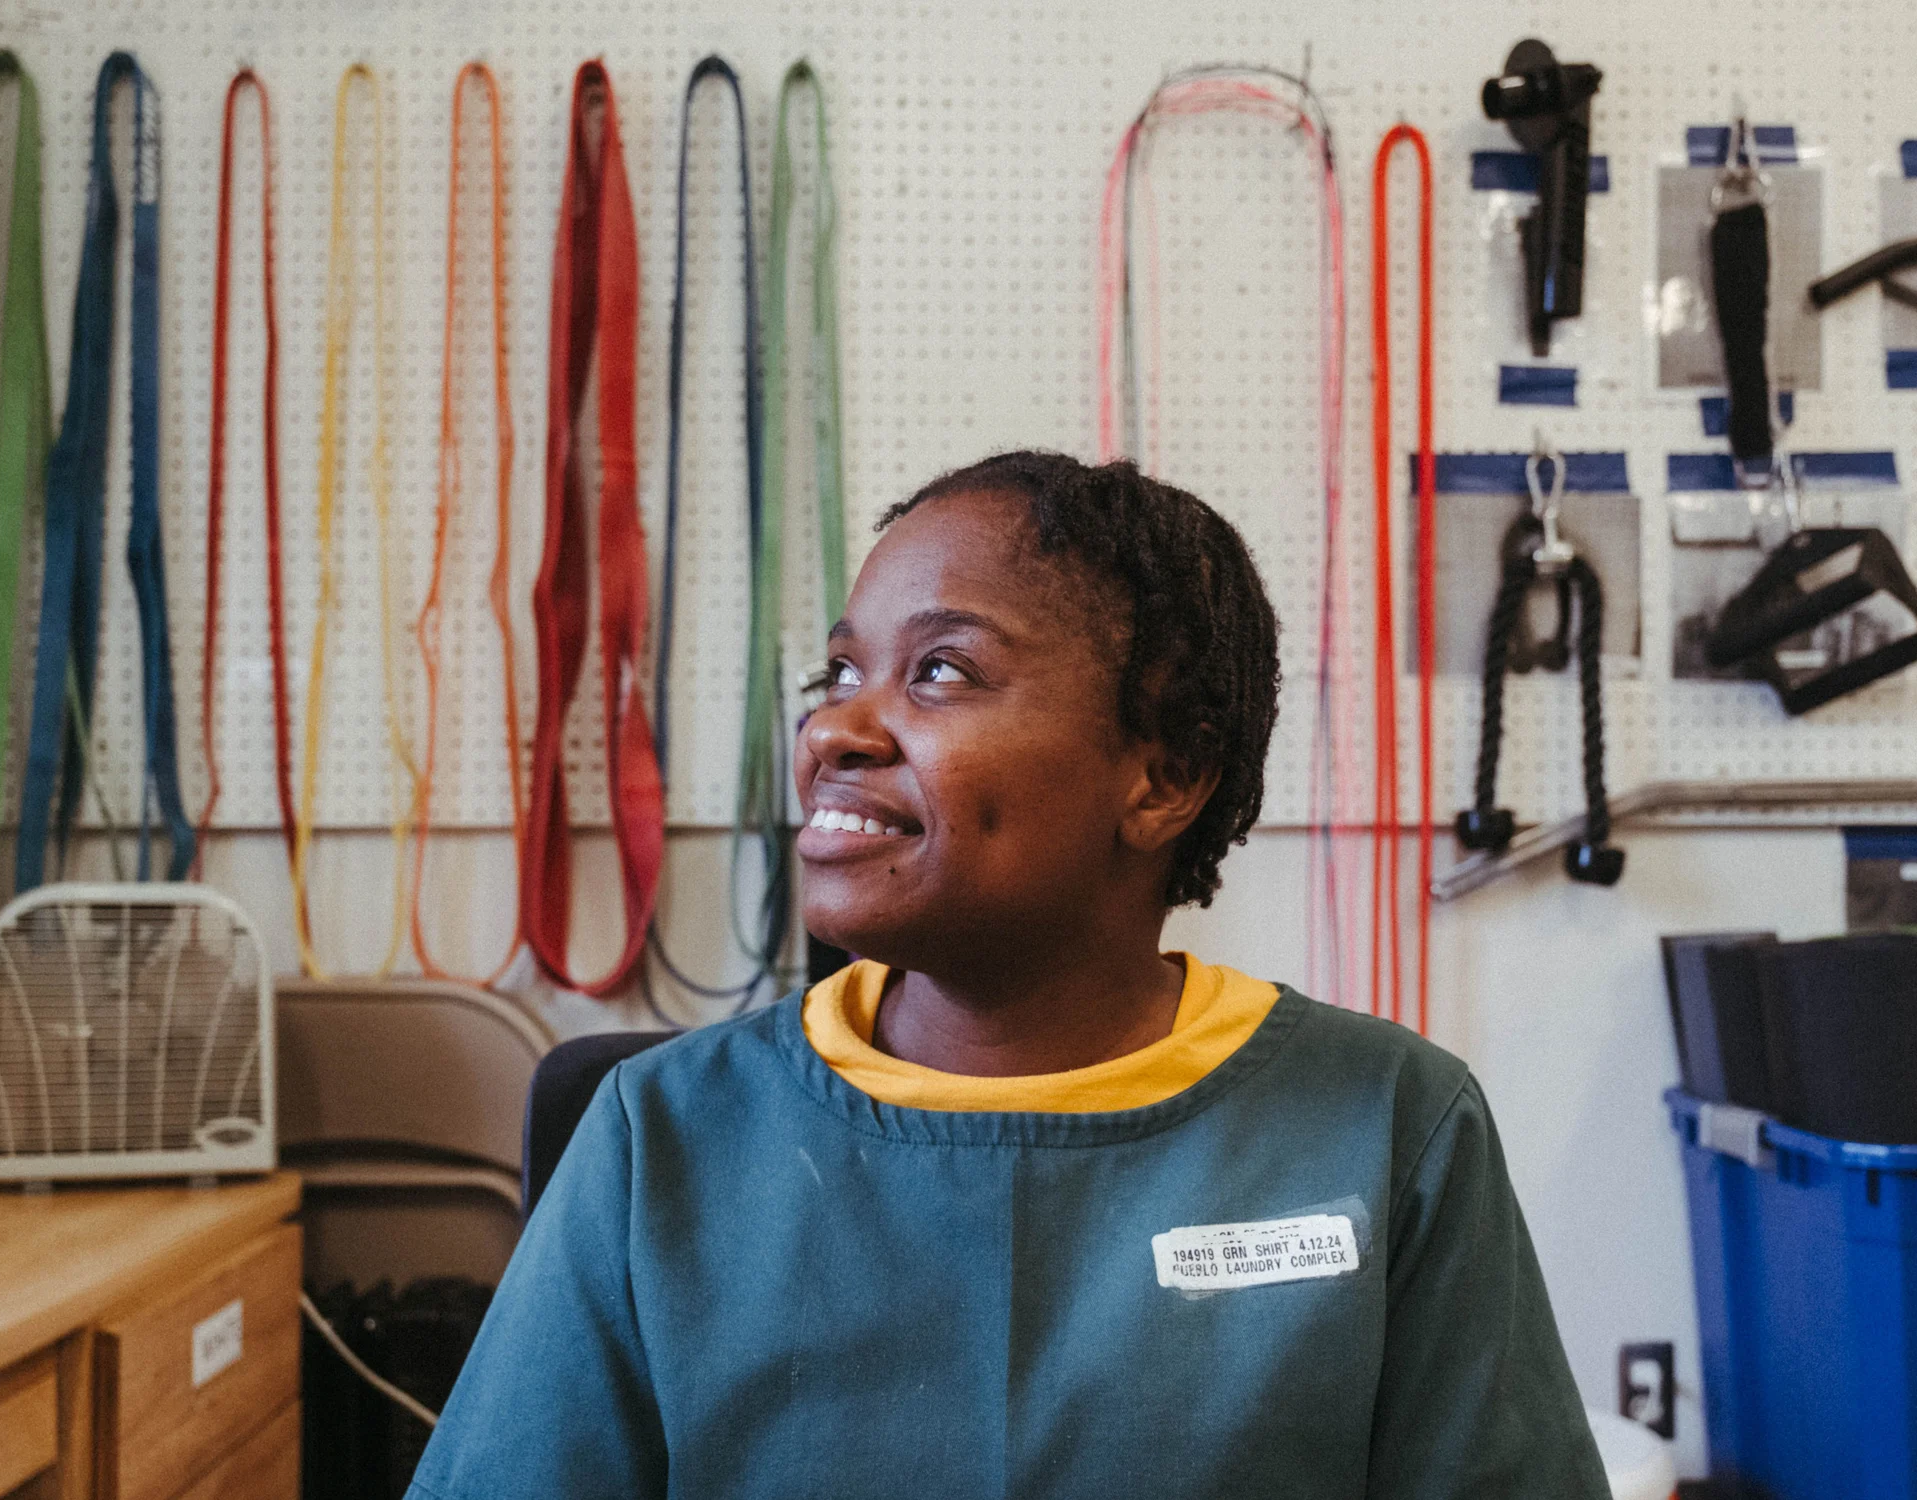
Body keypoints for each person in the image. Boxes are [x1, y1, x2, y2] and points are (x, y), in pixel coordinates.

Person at [407, 452, 1607, 1499]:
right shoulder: (658, 1135)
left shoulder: (1389, 1126)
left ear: (1161, 778)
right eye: (839, 674)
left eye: (940, 672)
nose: (834, 729)